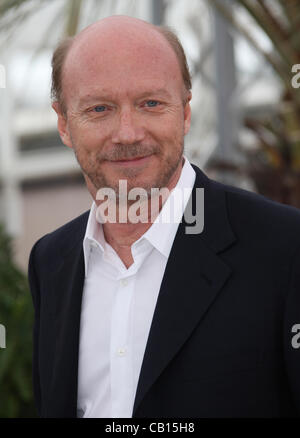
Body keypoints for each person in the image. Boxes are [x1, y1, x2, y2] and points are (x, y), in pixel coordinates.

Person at [28, 15, 300, 418]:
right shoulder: (50, 261)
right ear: (64, 123)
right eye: (99, 108)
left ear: (185, 112)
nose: (128, 133)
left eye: (150, 103)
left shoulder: (286, 248)